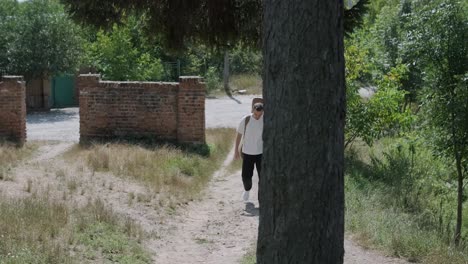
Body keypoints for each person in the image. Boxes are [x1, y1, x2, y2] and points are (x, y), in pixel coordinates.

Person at [234, 97, 263, 202]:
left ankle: (262, 200)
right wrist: (236, 152)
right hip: (247, 152)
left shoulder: (265, 120)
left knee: (263, 178)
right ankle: (247, 190)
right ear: (252, 111)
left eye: (260, 115)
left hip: (261, 153)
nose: (257, 117)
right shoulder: (246, 120)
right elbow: (238, 136)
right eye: (256, 114)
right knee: (246, 176)